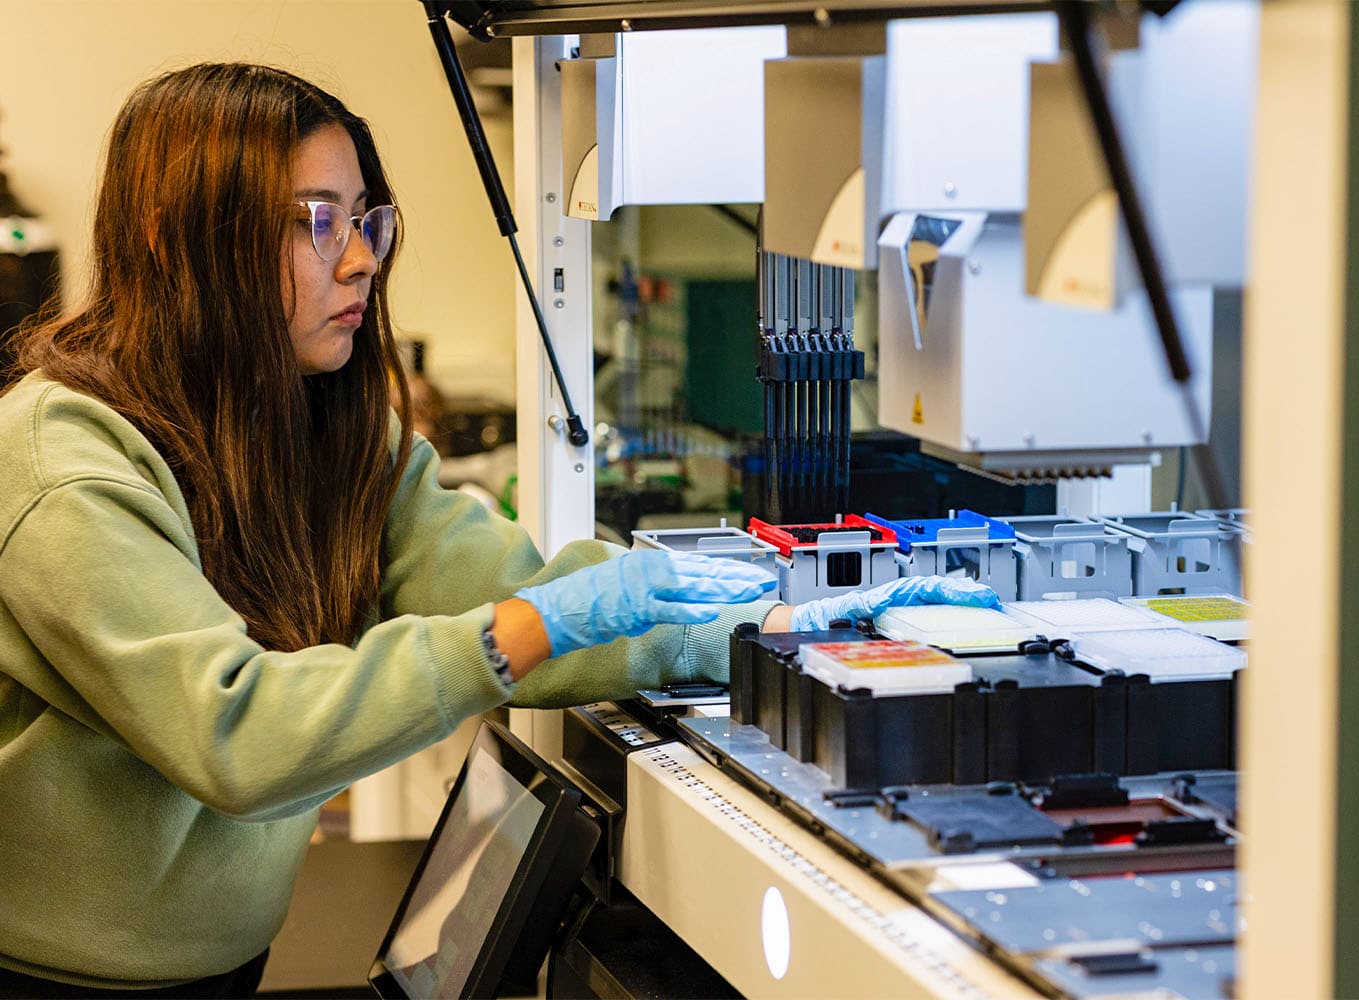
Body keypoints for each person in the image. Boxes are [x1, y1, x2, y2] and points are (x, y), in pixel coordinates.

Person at [0, 63, 999, 997]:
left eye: (367, 220)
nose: (359, 261)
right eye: (316, 223)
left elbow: (499, 585)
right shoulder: (60, 455)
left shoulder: (322, 427)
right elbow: (239, 732)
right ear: (175, 238)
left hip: (222, 958)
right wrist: (527, 626)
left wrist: (781, 626)